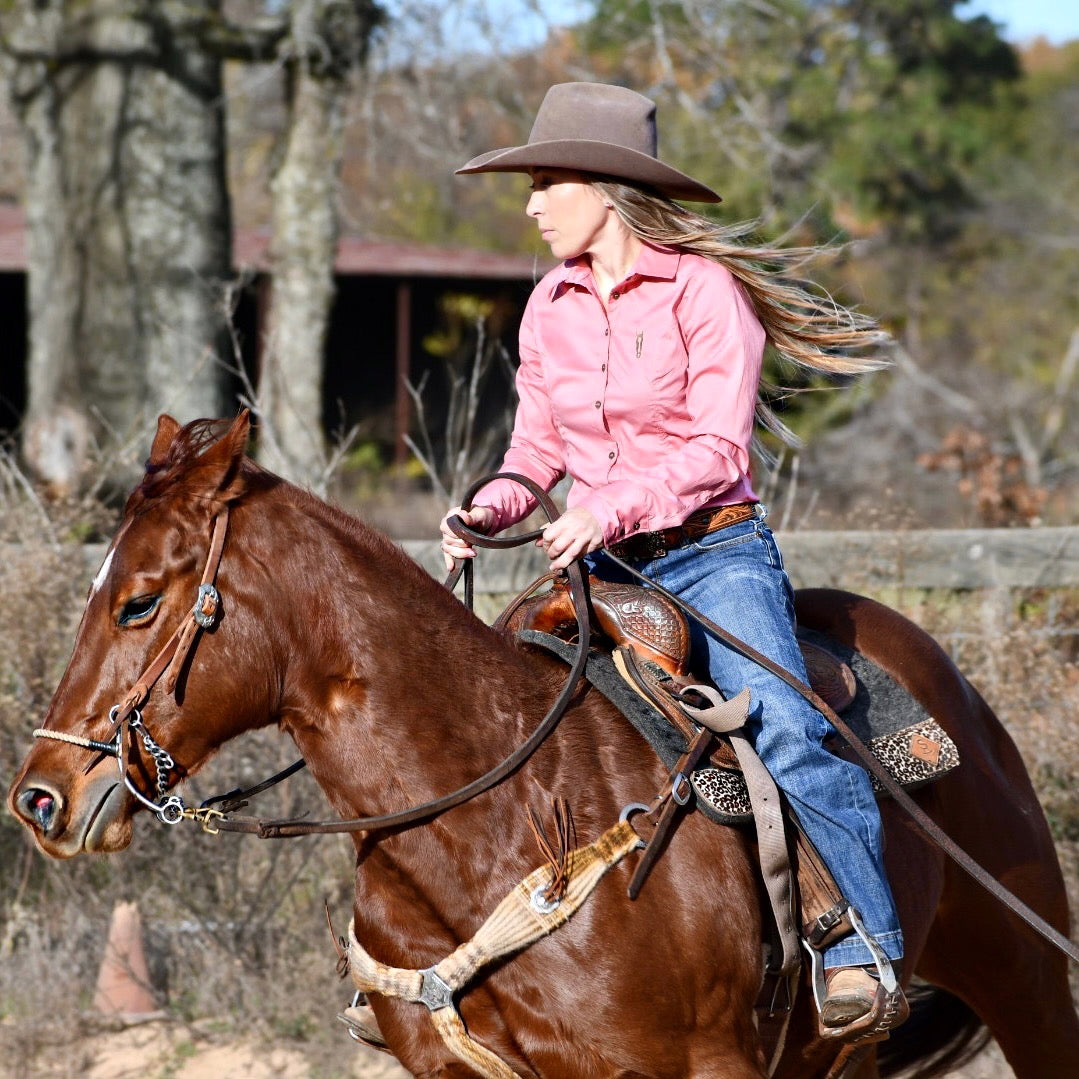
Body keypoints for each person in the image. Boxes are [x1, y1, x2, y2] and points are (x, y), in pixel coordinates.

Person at [440, 81, 907, 1039]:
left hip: (709, 555)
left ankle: (861, 942)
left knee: (778, 720)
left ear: (603, 190)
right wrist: (490, 508)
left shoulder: (704, 292)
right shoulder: (548, 307)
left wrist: (606, 508)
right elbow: (535, 452)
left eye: (544, 182)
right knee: (474, 713)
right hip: (600, 568)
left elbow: (716, 452)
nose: (530, 203)